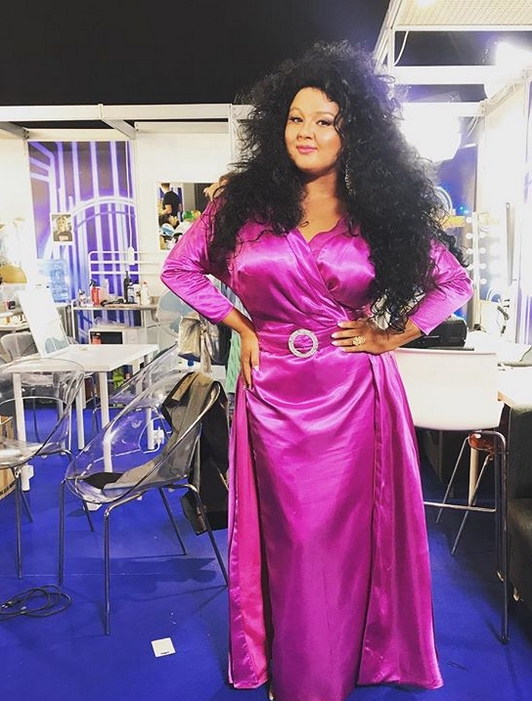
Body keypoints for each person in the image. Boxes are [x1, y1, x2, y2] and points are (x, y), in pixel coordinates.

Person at [161, 41, 473, 701]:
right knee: (291, 537)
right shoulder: (241, 207)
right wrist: (241, 324)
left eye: (325, 120)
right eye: (296, 117)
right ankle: (301, 666)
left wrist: (393, 334)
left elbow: (453, 282)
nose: (306, 131)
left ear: (352, 131)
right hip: (273, 391)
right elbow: (180, 268)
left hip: (354, 393)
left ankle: (344, 660)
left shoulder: (379, 213)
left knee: (343, 539)